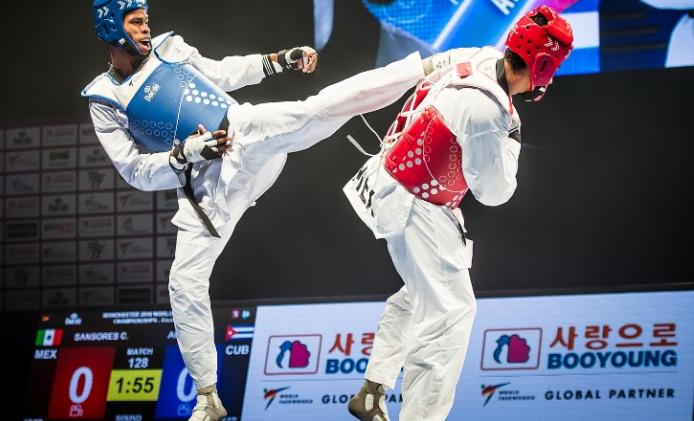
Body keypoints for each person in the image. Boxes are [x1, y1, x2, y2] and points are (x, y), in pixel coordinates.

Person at [83, 1, 436, 419]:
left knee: (316, 109)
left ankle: (426, 67)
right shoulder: (104, 98)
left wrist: (277, 61)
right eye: (136, 22)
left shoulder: (169, 48)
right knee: (183, 283)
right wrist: (184, 154)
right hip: (209, 186)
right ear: (111, 27)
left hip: (245, 136)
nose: (145, 29)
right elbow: (135, 171)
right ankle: (208, 398)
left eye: (145, 21)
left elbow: (223, 73)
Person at [344, 6, 574, 421]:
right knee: (451, 313)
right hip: (417, 206)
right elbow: (494, 191)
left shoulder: (481, 57)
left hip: (397, 180)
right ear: (541, 65)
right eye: (553, 67)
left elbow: (435, 68)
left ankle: (373, 389)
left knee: (422, 292)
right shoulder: (489, 112)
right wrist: (513, 134)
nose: (552, 77)